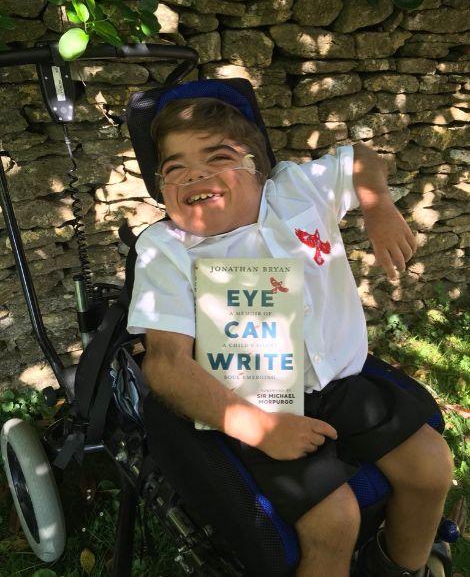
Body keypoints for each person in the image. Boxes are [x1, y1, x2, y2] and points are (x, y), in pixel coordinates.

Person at [127, 95, 453, 577]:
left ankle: (399, 568)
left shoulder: (297, 190)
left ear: (258, 166)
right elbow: (166, 364)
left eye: (217, 157)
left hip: (340, 382)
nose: (194, 176)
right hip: (254, 402)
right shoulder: (166, 250)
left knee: (432, 467)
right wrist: (260, 428)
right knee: (334, 520)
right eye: (174, 169)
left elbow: (361, 158)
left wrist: (377, 204)